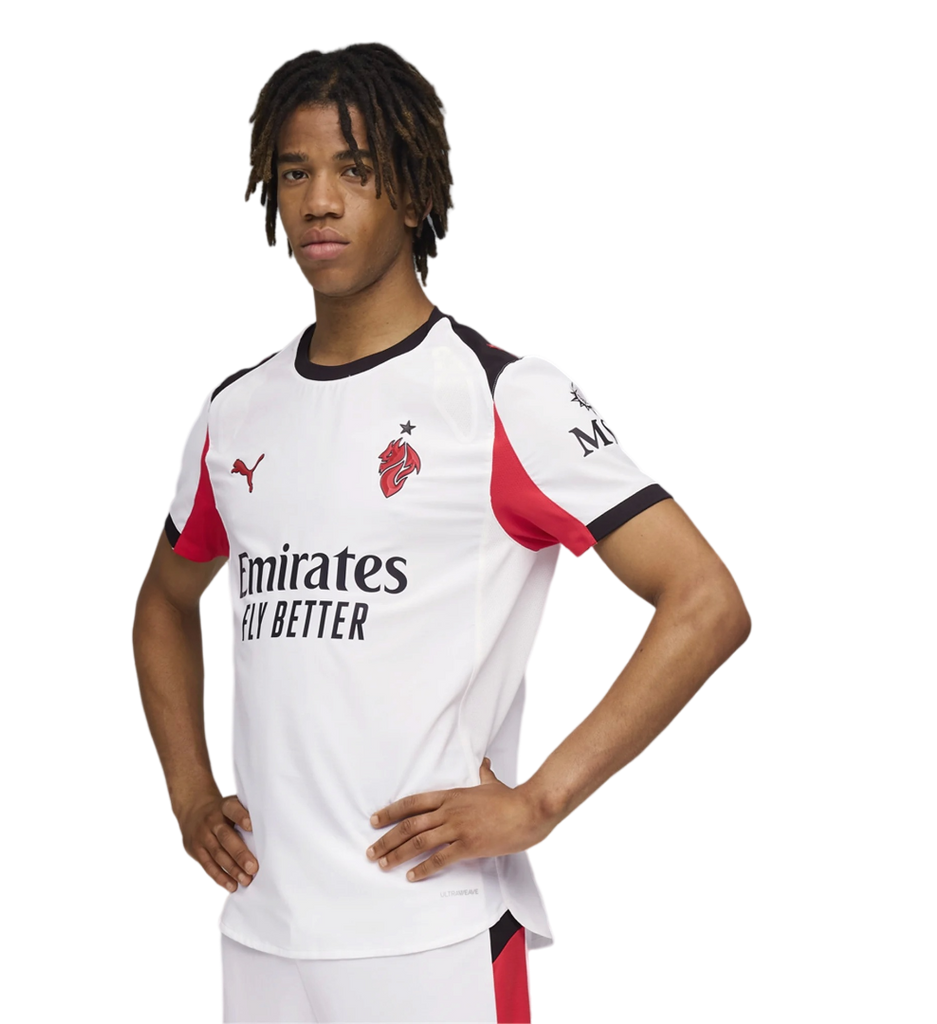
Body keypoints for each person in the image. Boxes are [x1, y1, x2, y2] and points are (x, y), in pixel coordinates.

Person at [131, 39, 754, 1024]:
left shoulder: (504, 395)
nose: (320, 201)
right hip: (260, 933)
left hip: (430, 937)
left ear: (416, 192)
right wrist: (189, 792)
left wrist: (540, 801)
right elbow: (163, 603)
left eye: (355, 170)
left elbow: (707, 599)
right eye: (295, 173)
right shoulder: (231, 411)